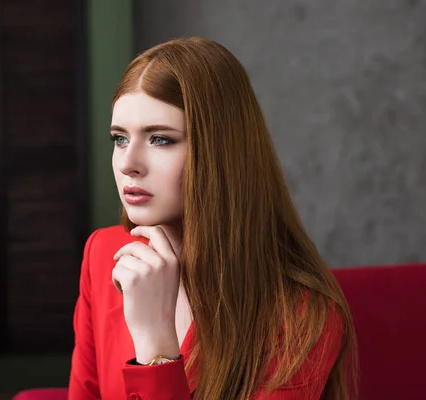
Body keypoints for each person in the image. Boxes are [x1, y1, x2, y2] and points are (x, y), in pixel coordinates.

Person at [68, 37, 358, 400]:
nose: (128, 164)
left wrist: (155, 345)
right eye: (120, 138)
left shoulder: (302, 317)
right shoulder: (104, 254)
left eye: (160, 139)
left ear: (221, 152)